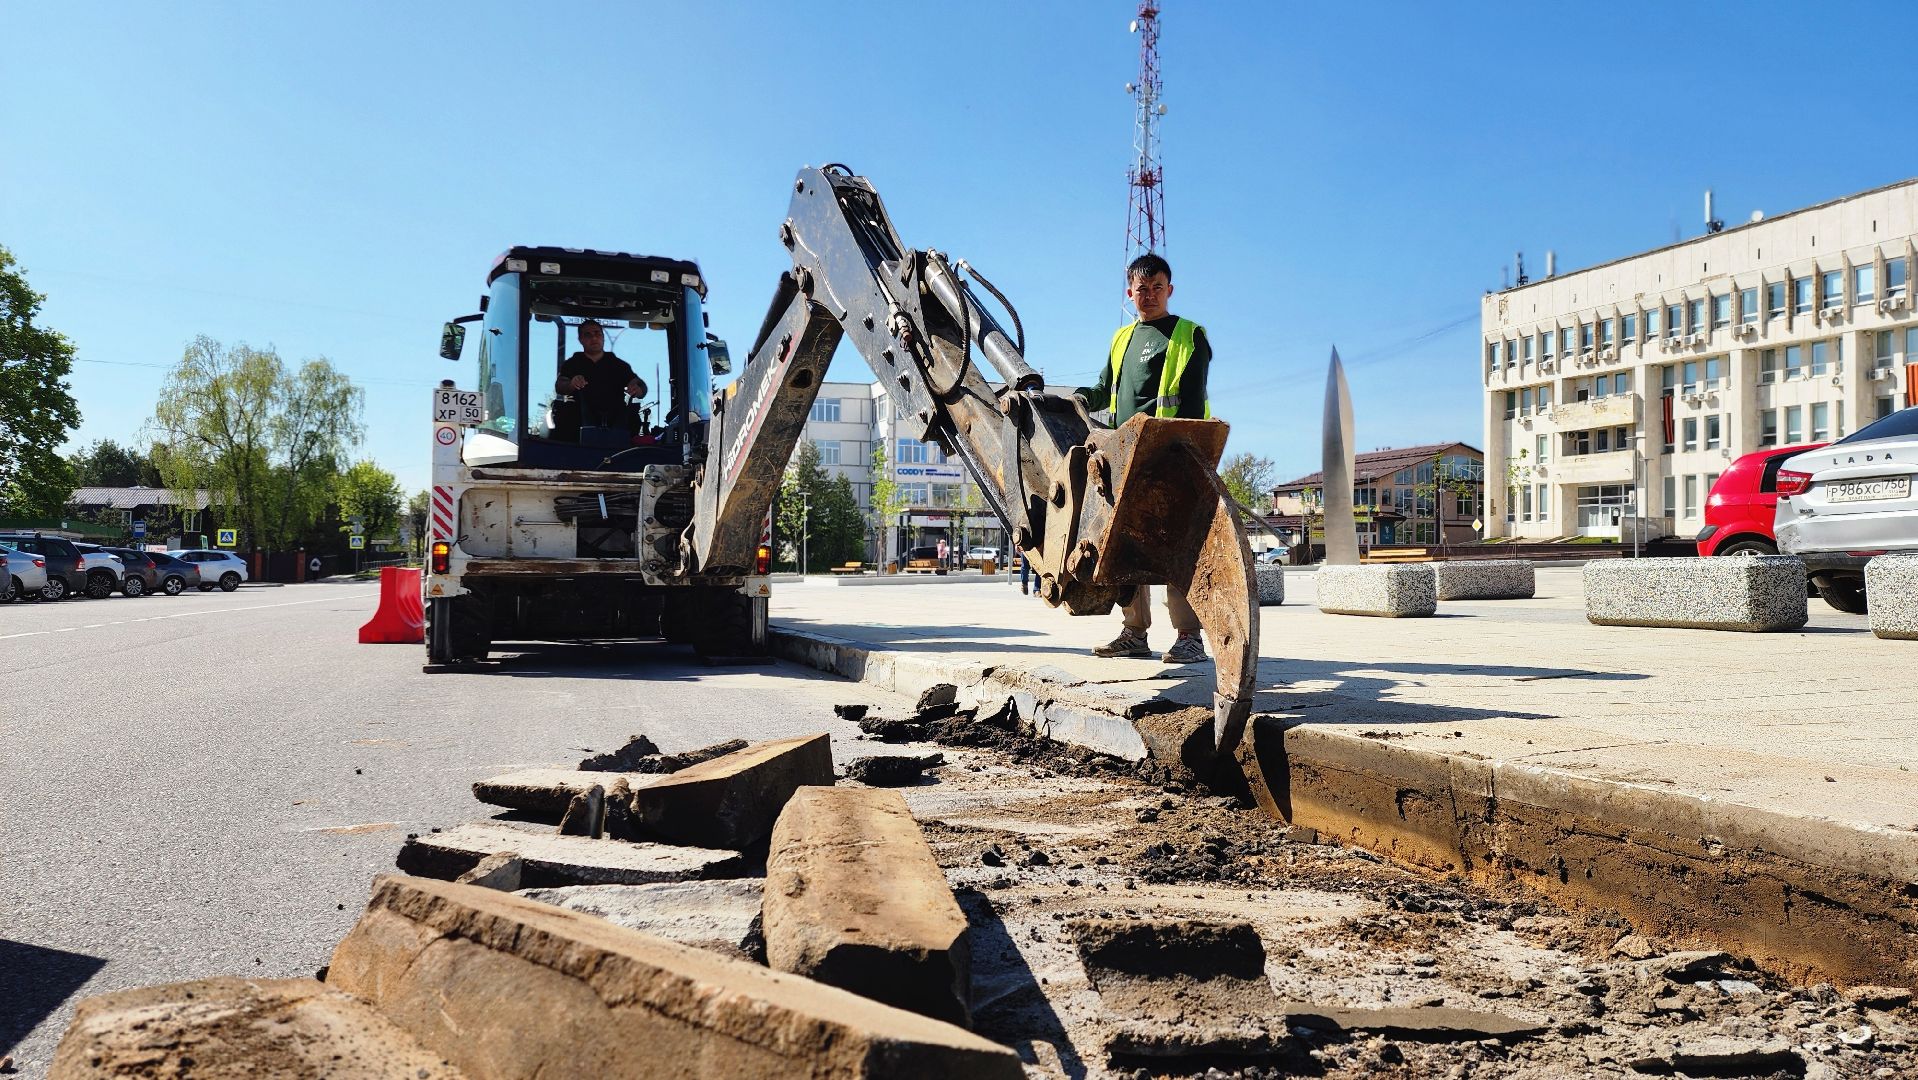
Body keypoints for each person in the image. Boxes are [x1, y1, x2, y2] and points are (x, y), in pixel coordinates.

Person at [1073, 252, 1214, 665]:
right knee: (1125, 543)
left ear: (1170, 290)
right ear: (1129, 293)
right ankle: (1134, 632)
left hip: (1172, 453)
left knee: (1176, 546)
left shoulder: (1189, 335)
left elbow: (1192, 402)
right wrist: (1081, 397)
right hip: (1124, 455)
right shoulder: (1122, 338)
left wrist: (1185, 450)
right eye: (1141, 289)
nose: (1149, 295)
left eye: (1157, 288)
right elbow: (1104, 388)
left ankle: (1189, 637)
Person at [556, 319, 647, 430]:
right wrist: (571, 383)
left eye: (597, 333)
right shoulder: (572, 364)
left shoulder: (619, 365)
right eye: (588, 335)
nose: (594, 338)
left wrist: (638, 388)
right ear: (581, 339)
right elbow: (560, 385)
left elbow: (639, 384)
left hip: (616, 421)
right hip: (577, 422)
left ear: (603, 337)